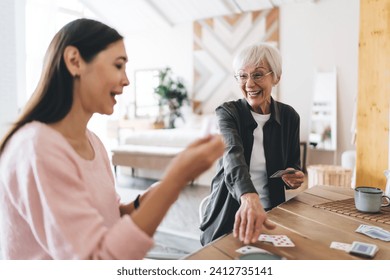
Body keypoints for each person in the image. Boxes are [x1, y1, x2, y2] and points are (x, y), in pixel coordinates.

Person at [0, 18, 224, 260]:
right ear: (74, 61)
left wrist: (141, 202)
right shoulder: (38, 147)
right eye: (118, 66)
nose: (126, 80)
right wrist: (174, 180)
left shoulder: (93, 142)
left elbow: (106, 217)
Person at [200, 43, 304, 246]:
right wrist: (249, 198)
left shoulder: (290, 116)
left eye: (257, 75)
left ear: (276, 77)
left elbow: (293, 165)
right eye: (242, 75)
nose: (249, 84)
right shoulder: (228, 113)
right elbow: (232, 158)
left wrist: (293, 177)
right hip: (229, 216)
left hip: (274, 215)